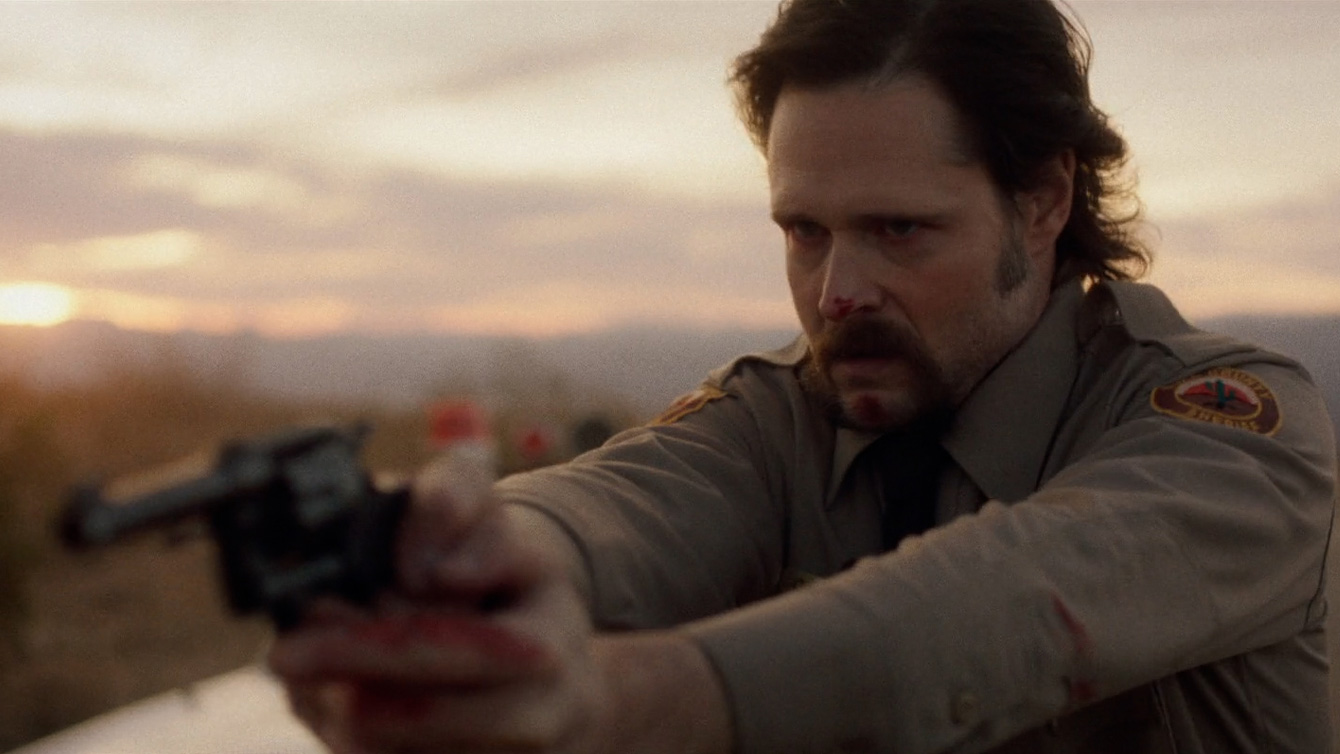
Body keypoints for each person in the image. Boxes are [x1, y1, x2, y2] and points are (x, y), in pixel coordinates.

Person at [268, 0, 1339, 751]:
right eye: (804, 232)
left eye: (898, 230)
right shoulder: (787, 414)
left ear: (1044, 201)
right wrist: (469, 562)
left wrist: (624, 702)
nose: (836, 292)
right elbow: (627, 504)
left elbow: (1004, 601)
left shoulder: (1231, 432)